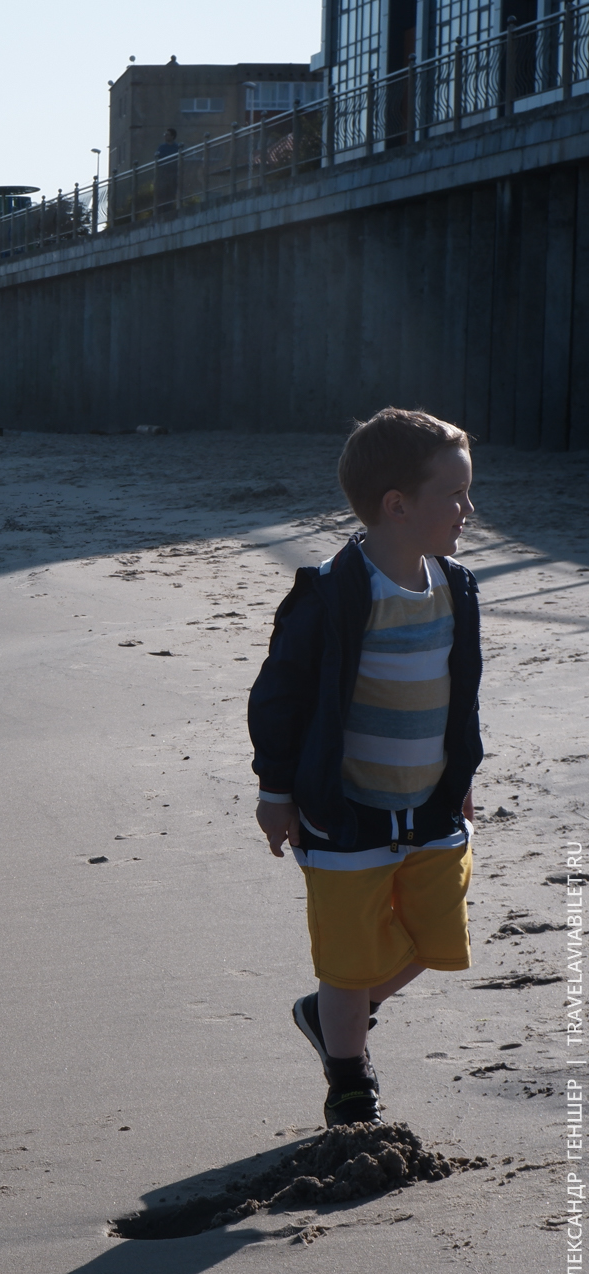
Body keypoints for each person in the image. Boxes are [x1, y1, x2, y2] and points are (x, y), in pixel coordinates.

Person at [248, 408, 482, 1127]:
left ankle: (335, 1014)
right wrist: (276, 790)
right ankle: (350, 1080)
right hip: (344, 809)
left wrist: (463, 773)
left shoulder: (456, 586)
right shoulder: (334, 594)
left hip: (431, 804)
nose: (469, 510)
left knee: (439, 941)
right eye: (456, 495)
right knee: (347, 960)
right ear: (397, 505)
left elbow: (457, 692)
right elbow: (279, 695)